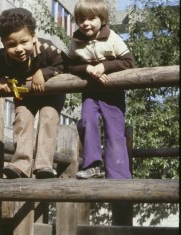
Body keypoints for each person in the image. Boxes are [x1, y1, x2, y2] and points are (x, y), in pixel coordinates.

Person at [0, 8, 66, 179]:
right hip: (25, 96)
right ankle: (21, 164)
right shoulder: (2, 57)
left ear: (33, 37)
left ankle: (44, 165)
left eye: (24, 42)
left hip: (50, 95)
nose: (19, 49)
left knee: (48, 118)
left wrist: (43, 73)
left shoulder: (47, 48)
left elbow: (65, 65)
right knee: (21, 119)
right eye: (11, 45)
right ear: (3, 44)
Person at [67, 0, 134, 179]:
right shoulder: (76, 41)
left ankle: (118, 174)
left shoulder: (111, 37)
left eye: (91, 18)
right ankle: (92, 165)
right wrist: (86, 68)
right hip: (91, 92)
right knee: (87, 122)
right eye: (81, 19)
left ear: (102, 19)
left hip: (112, 93)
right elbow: (69, 65)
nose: (86, 23)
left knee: (114, 130)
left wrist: (105, 66)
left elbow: (129, 61)